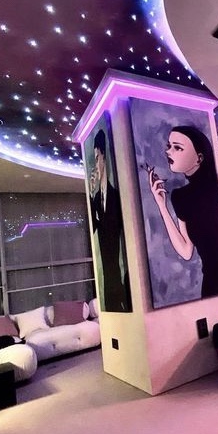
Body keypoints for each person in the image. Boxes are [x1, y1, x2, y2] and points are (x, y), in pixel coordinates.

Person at [147, 125, 218, 298]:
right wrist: (161, 205)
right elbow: (186, 251)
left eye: (177, 147)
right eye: (169, 146)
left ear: (199, 158)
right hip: (211, 284)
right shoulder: (181, 197)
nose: (168, 152)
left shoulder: (217, 189)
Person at [90, 128, 131, 311]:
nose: (95, 164)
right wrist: (90, 194)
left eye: (97, 158)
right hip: (107, 282)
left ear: (104, 157)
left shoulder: (117, 196)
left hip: (121, 276)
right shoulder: (96, 199)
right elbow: (93, 228)